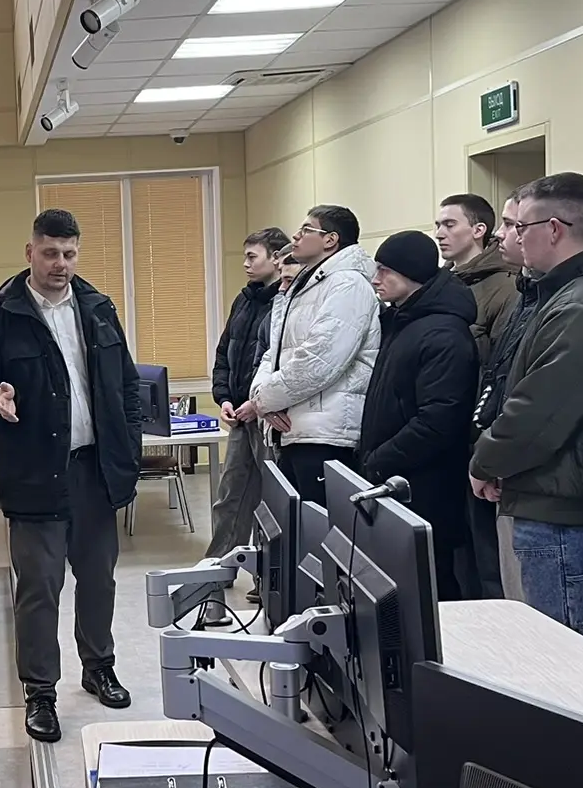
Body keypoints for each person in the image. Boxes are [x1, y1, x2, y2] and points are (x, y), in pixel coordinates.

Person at [0, 208, 143, 743]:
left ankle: (99, 666)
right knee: (39, 587)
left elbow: (127, 387)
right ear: (30, 253)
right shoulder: (0, 318)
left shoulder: (99, 309)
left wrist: (129, 449)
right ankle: (40, 691)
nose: (60, 264)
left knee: (99, 579)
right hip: (36, 475)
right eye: (49, 253)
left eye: (69, 254)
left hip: (94, 471)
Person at [470, 173, 583, 643]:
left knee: (563, 656)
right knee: (541, 651)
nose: (512, 238)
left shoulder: (582, 304)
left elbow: (537, 412)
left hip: (561, 512)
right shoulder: (558, 295)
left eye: (520, 227)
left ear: (554, 229)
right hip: (548, 499)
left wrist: (485, 461)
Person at [356, 230, 478, 598]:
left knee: (431, 587)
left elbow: (438, 420)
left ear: (411, 274)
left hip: (425, 485)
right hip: (396, 478)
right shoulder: (403, 321)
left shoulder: (444, 334)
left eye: (385, 271)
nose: (376, 278)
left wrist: (380, 459)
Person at [249, 205, 380, 505]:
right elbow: (274, 352)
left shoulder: (347, 284)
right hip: (295, 426)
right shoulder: (306, 284)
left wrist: (265, 400)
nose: (296, 235)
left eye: (307, 229)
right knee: (292, 524)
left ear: (330, 240)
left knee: (321, 526)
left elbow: (318, 361)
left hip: (326, 434)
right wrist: (260, 398)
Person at [464, 189, 541, 600]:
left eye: (512, 225)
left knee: (544, 621)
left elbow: (533, 403)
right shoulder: (530, 294)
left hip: (542, 489)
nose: (501, 234)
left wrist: (487, 459)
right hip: (504, 469)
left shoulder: (569, 302)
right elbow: (499, 380)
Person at [205, 226, 290, 558]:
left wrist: (259, 404)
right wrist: (224, 398)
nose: (245, 263)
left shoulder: (285, 302)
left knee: (272, 501)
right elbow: (224, 352)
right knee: (231, 496)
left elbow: (285, 365)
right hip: (240, 415)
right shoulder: (244, 300)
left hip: (269, 417)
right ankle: (218, 568)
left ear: (276, 258)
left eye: (252, 257)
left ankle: (268, 575)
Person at [434, 194, 521, 356]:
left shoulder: (507, 286)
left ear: (478, 230)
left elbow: (504, 356)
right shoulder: (436, 283)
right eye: (438, 226)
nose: (439, 234)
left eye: (449, 225)